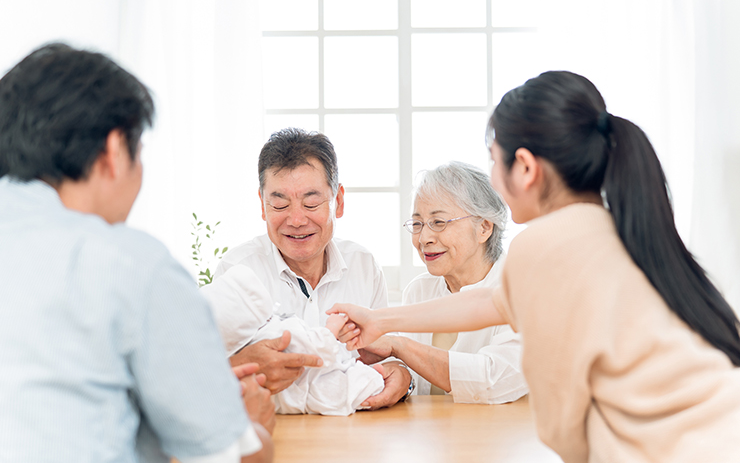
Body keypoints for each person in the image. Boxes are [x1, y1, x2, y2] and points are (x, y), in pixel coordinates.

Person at [330, 71, 740, 462]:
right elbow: (484, 304)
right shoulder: (611, 226)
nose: (493, 175)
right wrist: (379, 320)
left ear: (524, 166)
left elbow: (563, 428)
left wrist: (385, 328)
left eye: (495, 160)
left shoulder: (546, 243)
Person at [0, 43, 274, 463]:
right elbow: (233, 456)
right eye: (140, 151)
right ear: (113, 152)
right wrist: (250, 424)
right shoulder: (129, 264)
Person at [214, 128, 413, 409]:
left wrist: (405, 378)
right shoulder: (238, 272)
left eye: (311, 202)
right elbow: (202, 372)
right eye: (280, 203)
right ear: (262, 205)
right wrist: (238, 365)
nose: (296, 219)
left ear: (338, 201)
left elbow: (385, 357)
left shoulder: (363, 266)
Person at [357, 162, 528, 403]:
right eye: (417, 224)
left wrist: (400, 346)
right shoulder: (420, 290)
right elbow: (418, 389)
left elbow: (494, 381)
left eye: (439, 222)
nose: (424, 238)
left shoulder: (521, 288)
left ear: (484, 228)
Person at [201, 265, 384, 416]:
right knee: (342, 389)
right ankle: (372, 380)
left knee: (343, 380)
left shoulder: (240, 345)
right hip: (310, 390)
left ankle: (366, 375)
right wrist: (332, 328)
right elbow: (318, 349)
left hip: (287, 404)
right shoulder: (276, 333)